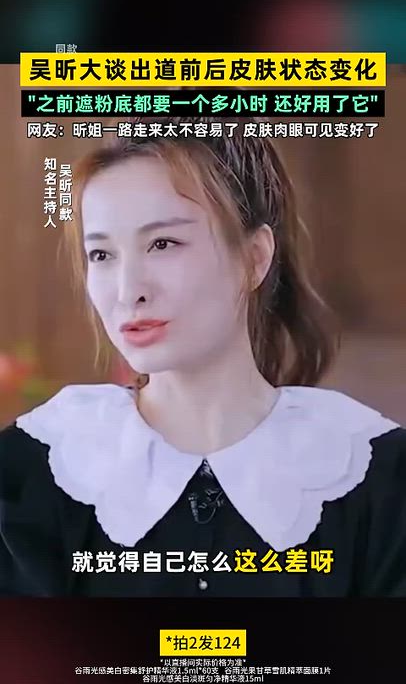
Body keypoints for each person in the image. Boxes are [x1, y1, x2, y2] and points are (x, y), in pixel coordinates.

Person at [1, 116, 405, 597]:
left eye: (163, 243)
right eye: (102, 255)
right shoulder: (33, 471)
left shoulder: (373, 473)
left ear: (255, 258)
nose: (129, 291)